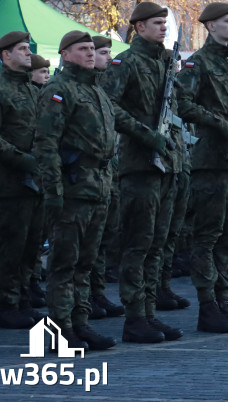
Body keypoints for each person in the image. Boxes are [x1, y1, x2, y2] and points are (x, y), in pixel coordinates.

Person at [35, 30, 132, 351]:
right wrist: (54, 192)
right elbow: (46, 144)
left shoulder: (97, 92)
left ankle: (80, 324)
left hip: (98, 189)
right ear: (65, 54)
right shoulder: (58, 90)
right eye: (82, 49)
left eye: (93, 48)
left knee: (86, 264)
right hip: (72, 190)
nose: (91, 53)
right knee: (64, 264)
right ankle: (60, 330)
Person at [101, 1, 184, 344]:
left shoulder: (163, 63)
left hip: (166, 164)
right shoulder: (127, 62)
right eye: (156, 23)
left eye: (165, 22)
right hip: (139, 165)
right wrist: (144, 133)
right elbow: (109, 106)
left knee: (157, 245)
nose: (163, 27)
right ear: (139, 27)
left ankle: (149, 313)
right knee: (138, 245)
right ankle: (135, 317)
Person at [176, 2, 228, 333]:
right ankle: (207, 306)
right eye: (227, 21)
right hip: (211, 162)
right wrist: (219, 124)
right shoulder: (198, 64)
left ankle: (224, 301)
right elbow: (182, 103)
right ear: (210, 26)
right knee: (208, 238)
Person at [0, 31, 45, 330]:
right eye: (21, 49)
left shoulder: (31, 89)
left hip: (35, 182)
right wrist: (26, 161)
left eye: (28, 48)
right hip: (10, 182)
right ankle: (7, 306)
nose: (28, 53)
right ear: (6, 55)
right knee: (11, 248)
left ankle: (22, 300)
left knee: (30, 246)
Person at [87, 36, 125, 320]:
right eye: (102, 52)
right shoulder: (72, 89)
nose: (107, 57)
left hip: (106, 175)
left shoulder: (102, 89)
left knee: (101, 241)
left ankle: (97, 294)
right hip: (83, 179)